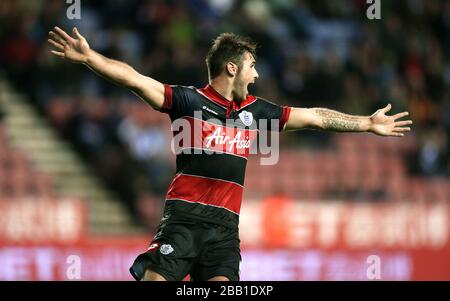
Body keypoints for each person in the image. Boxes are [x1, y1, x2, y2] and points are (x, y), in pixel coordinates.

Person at [48, 26, 413, 281]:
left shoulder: (259, 112)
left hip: (224, 232)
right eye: (252, 67)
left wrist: (366, 122)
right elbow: (135, 79)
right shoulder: (190, 101)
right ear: (232, 67)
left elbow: (317, 117)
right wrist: (90, 58)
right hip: (183, 221)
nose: (256, 75)